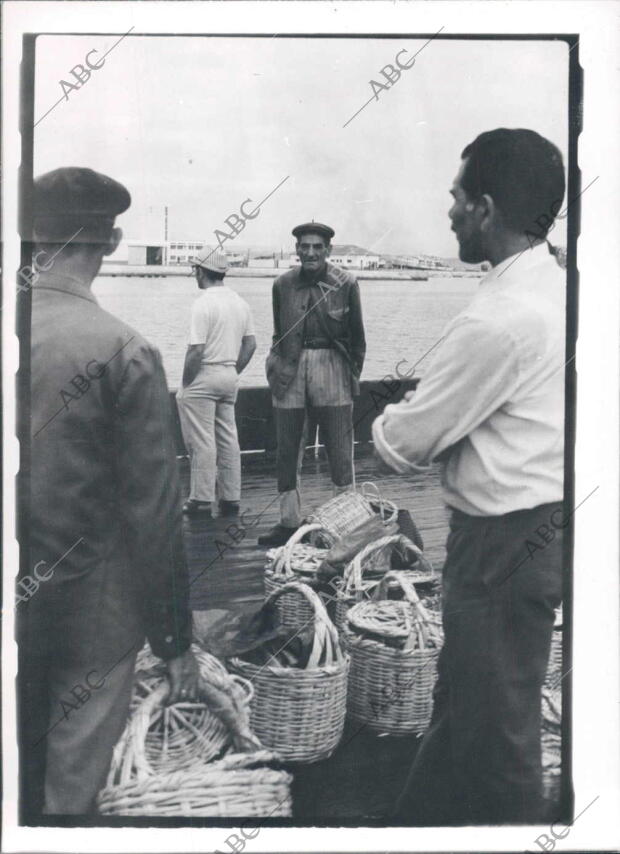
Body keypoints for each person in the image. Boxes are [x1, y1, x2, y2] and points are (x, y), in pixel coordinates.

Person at [372, 129, 566, 825]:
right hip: (534, 535)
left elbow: (403, 443)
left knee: (500, 737)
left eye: (456, 198)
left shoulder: (500, 319)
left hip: (499, 548)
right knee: (466, 703)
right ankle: (413, 824)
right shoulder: (556, 288)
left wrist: (391, 419)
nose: (449, 212)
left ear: (484, 208)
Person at [19, 167, 200, 819]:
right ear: (113, 242)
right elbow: (155, 512)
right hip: (87, 613)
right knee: (69, 786)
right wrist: (174, 640)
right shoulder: (125, 351)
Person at [258, 222, 366, 547]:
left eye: (317, 247)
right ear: (296, 249)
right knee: (288, 449)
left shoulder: (346, 283)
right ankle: (288, 522)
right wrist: (276, 366)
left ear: (329, 250)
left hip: (332, 367)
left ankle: (346, 526)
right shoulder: (282, 284)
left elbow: (358, 338)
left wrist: (349, 377)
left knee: (339, 449)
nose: (310, 252)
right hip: (290, 370)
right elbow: (279, 330)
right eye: (304, 246)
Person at [176, 248, 256, 517]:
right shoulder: (240, 303)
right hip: (228, 375)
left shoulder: (203, 303)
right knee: (228, 437)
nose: (193, 275)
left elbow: (196, 350)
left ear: (201, 271)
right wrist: (233, 369)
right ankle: (231, 498)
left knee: (201, 440)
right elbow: (251, 344)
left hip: (205, 374)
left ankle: (201, 499)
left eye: (194, 270)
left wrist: (186, 383)